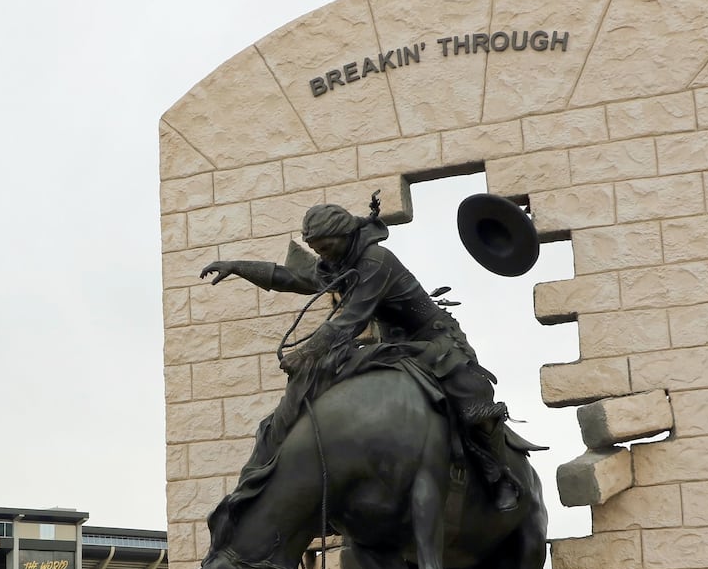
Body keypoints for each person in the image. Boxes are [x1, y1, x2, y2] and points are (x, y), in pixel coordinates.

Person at [199, 199, 521, 511]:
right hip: (393, 344)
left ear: (345, 235)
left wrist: (305, 354)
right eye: (317, 250)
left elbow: (350, 320)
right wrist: (238, 267)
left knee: (471, 397)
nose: (321, 255)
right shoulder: (339, 264)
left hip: (434, 340)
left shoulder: (375, 260)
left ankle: (498, 476)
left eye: (325, 247)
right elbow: (293, 278)